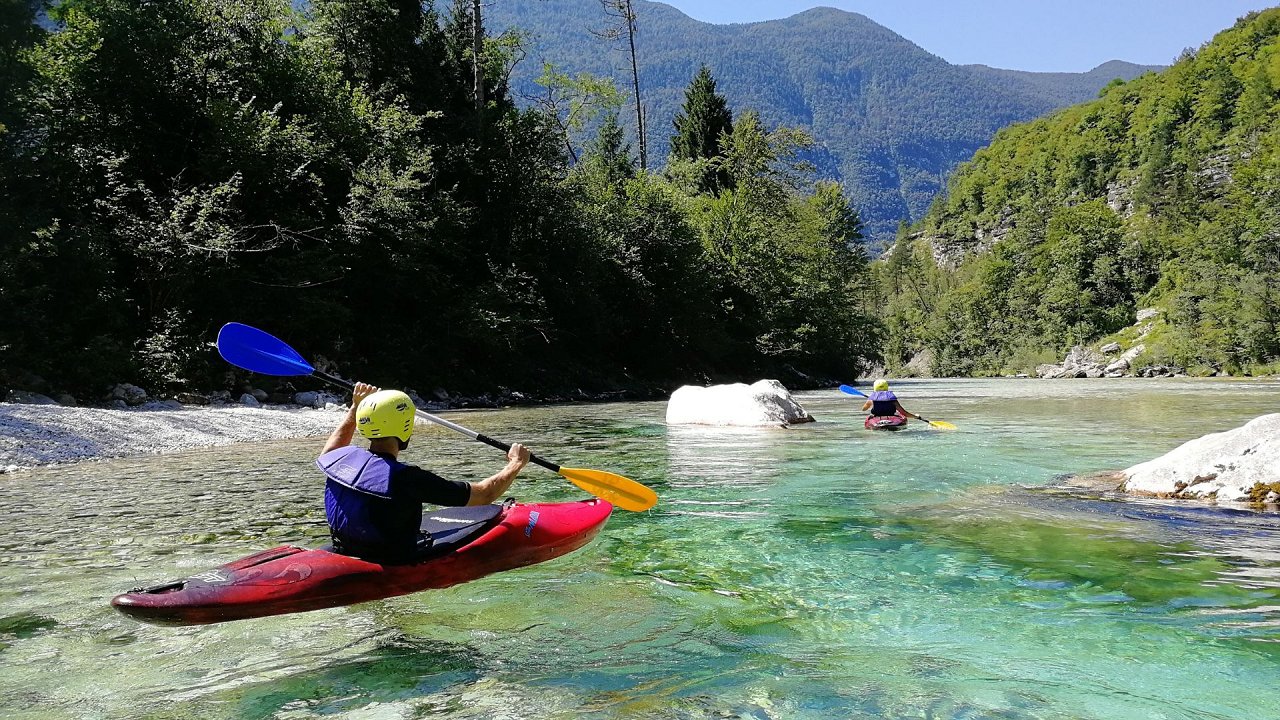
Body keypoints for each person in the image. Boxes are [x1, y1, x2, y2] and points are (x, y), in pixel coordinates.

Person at [316, 382, 531, 562]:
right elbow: (485, 495)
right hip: (389, 561)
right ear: (405, 426)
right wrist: (515, 464)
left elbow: (331, 449)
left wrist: (355, 408)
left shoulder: (341, 459)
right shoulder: (408, 479)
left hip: (346, 549)